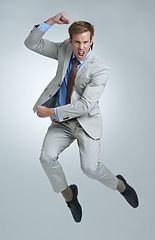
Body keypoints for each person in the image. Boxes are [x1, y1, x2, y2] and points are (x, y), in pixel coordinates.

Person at [24, 12, 139, 223]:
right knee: (46, 157)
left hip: (85, 123)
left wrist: (50, 112)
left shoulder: (101, 68)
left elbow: (85, 106)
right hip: (61, 124)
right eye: (77, 42)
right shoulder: (64, 49)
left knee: (89, 169)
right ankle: (70, 197)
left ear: (91, 41)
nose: (81, 47)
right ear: (70, 40)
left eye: (85, 42)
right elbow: (31, 43)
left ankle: (121, 186)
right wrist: (50, 22)